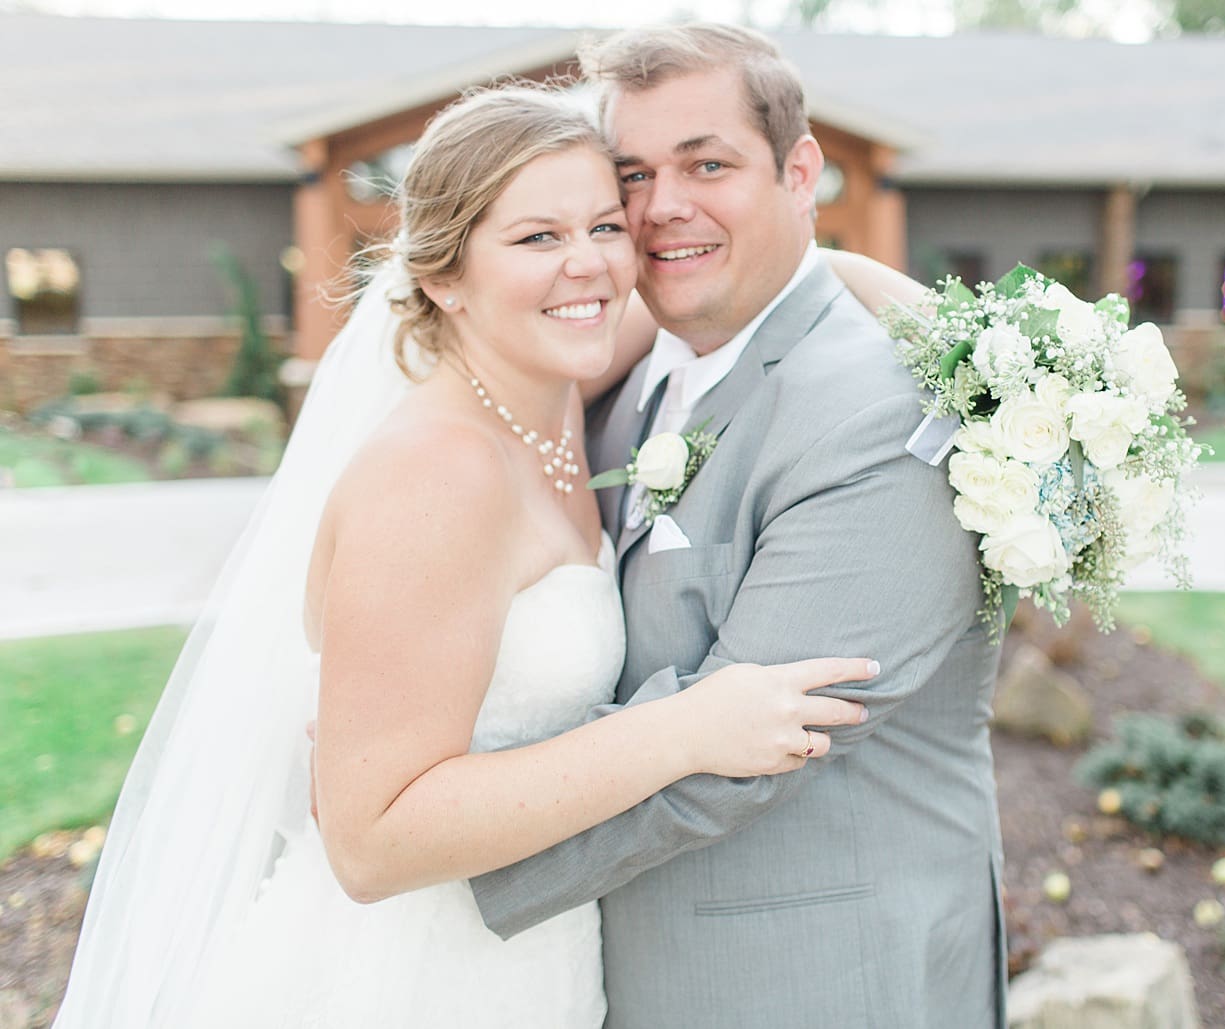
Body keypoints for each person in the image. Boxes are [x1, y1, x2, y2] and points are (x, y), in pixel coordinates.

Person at [52, 83, 875, 1028]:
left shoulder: (552, 374)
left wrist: (937, 326)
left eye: (606, 226)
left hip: (530, 959)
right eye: (535, 238)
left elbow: (769, 285)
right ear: (444, 275)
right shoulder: (439, 474)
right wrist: (685, 730)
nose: (589, 267)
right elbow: (371, 843)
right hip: (407, 980)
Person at [470, 24, 1007, 1029]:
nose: (663, 205)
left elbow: (740, 751)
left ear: (798, 172)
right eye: (632, 173)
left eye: (706, 164)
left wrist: (439, 841)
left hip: (813, 981)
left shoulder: (887, 419)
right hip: (631, 962)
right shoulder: (628, 371)